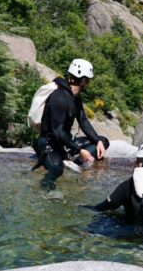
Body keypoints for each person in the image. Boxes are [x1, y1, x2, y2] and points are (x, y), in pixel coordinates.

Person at [33, 58, 109, 190]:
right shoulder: (59, 97)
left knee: (103, 141)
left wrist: (98, 141)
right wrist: (80, 150)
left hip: (64, 143)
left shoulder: (76, 98)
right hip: (49, 144)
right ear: (83, 80)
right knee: (56, 169)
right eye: (88, 80)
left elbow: (84, 122)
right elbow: (58, 131)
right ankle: (48, 192)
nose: (88, 83)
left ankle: (77, 161)